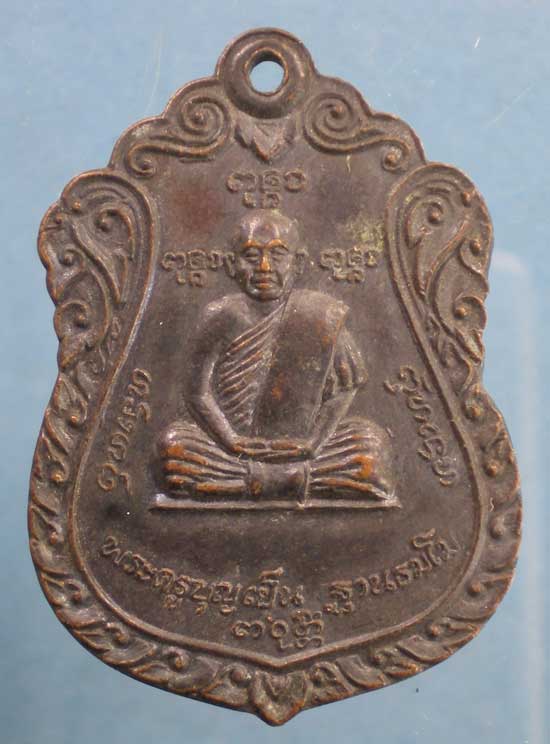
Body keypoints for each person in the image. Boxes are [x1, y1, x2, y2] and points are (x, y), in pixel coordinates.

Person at [157, 210, 398, 507]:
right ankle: (287, 479)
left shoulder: (322, 315)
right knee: (173, 448)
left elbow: (344, 388)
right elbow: (196, 393)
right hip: (231, 450)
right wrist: (231, 441)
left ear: (298, 263)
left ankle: (257, 482)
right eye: (251, 255)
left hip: (307, 448)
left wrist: (314, 444)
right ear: (231, 265)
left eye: (278, 255)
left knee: (371, 448)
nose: (264, 267)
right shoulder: (218, 317)